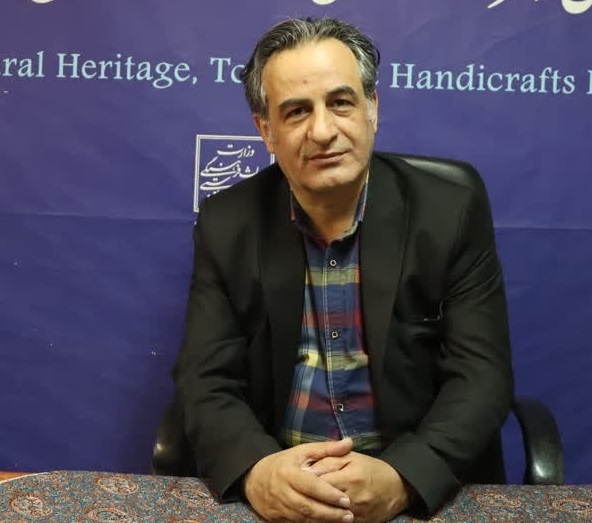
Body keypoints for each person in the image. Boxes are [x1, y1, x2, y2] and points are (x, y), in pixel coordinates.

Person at [174, 17, 513, 523]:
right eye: (296, 111)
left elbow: (481, 377)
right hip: (283, 491)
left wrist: (402, 478)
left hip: (414, 491)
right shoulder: (227, 224)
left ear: (372, 108)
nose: (323, 131)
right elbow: (205, 379)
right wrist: (258, 471)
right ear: (266, 131)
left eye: (341, 103)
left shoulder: (450, 211)